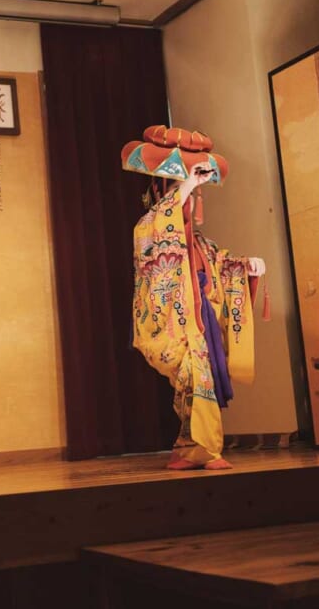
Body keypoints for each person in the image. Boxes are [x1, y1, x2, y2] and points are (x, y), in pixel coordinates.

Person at [124, 126, 266, 470]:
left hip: (200, 319)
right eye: (179, 197)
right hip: (172, 321)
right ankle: (207, 449)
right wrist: (187, 183)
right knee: (195, 378)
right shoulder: (149, 228)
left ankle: (189, 448)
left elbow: (223, 264)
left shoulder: (201, 243)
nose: (186, 204)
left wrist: (247, 267)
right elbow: (162, 226)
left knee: (194, 383)